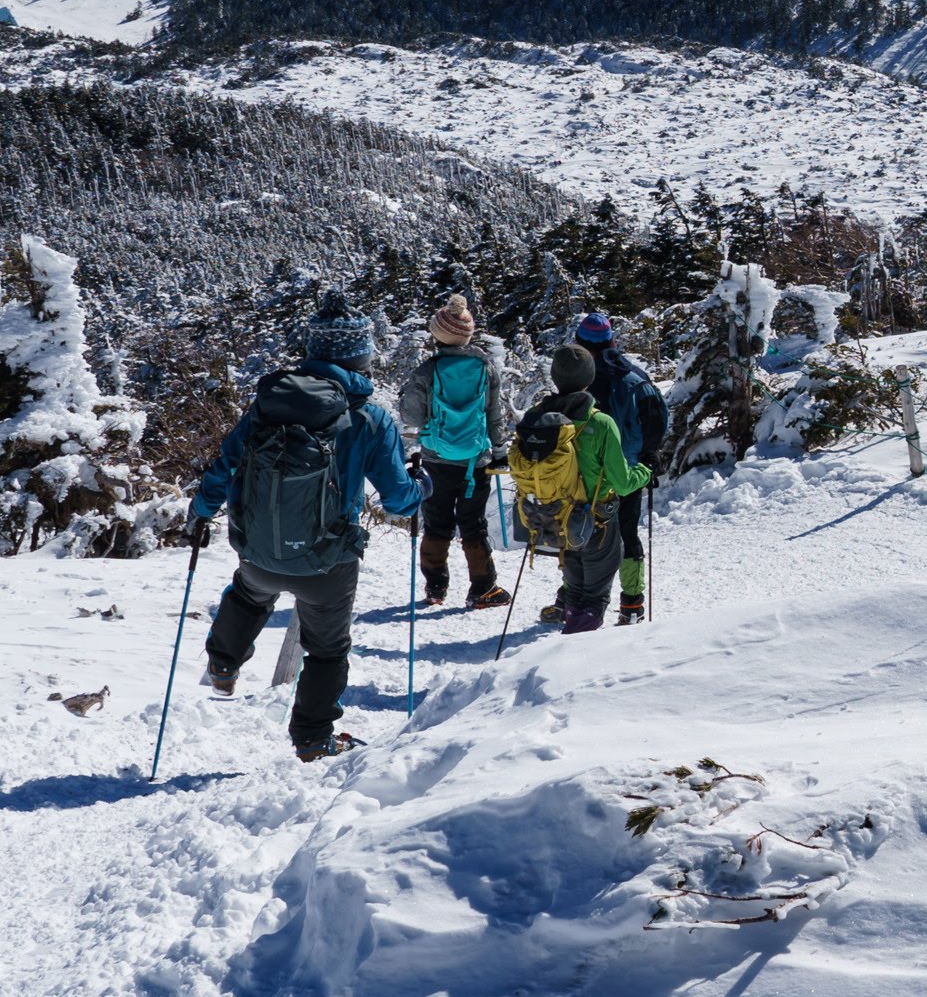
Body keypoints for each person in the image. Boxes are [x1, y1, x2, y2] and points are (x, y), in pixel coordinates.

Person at [188, 296, 421, 761]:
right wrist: (423, 487)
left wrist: (200, 511)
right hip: (327, 563)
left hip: (258, 551)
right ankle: (313, 740)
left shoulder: (268, 406)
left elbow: (224, 464)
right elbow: (399, 499)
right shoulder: (371, 418)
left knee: (249, 594)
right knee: (327, 650)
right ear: (361, 357)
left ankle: (223, 661)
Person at [506, 342, 647, 635]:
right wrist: (644, 472)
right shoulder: (600, 423)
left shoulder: (536, 418)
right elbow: (622, 482)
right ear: (589, 378)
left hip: (555, 519)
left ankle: (569, 638)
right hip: (597, 523)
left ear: (555, 378)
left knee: (575, 591)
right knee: (594, 596)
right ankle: (574, 658)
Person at [397, 293, 509, 610]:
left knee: (437, 524)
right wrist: (500, 453)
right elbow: (494, 417)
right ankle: (483, 589)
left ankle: (435, 589)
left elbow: (412, 418)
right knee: (473, 525)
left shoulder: (426, 371)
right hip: (476, 461)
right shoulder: (486, 369)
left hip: (436, 460)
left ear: (438, 335)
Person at [572, 310, 668, 625]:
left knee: (577, 530)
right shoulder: (634, 377)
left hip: (583, 473)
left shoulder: (575, 378)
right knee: (628, 532)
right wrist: (649, 456)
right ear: (612, 340)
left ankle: (572, 598)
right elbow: (655, 419)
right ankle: (632, 603)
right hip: (627, 470)